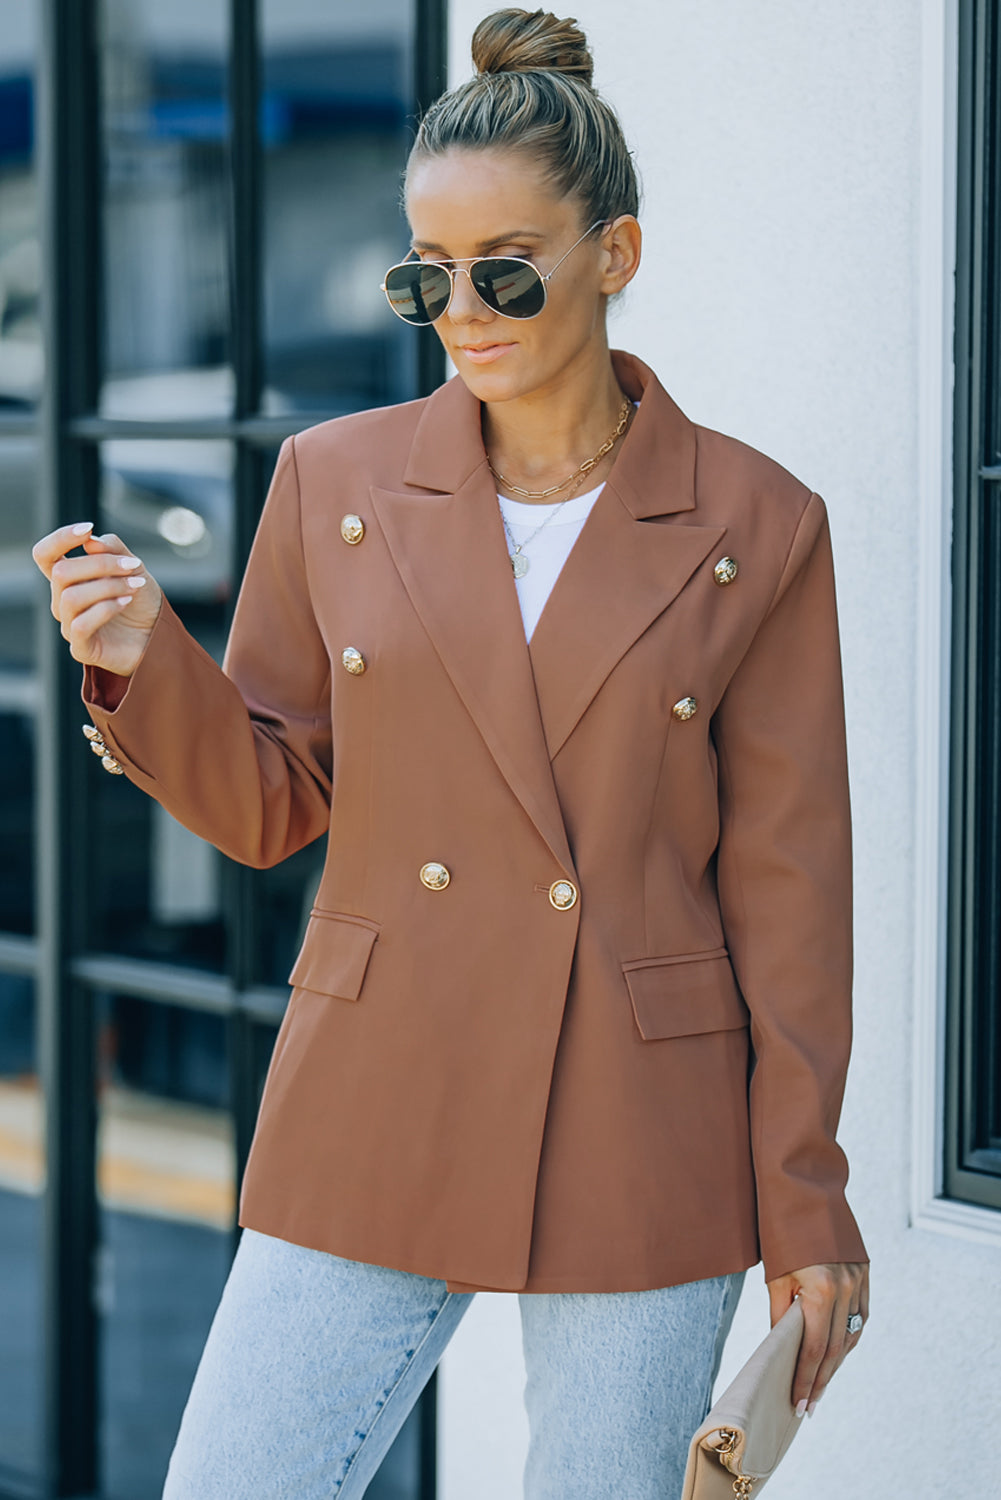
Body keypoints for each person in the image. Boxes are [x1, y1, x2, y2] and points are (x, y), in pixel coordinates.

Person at [32, 8, 870, 1497]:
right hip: (380, 1074)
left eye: (504, 270)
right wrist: (143, 665)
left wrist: (804, 1202)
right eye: (425, 277)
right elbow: (275, 801)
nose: (462, 311)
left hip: (639, 1112)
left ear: (612, 253)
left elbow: (789, 890)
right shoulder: (334, 480)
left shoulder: (754, 524)